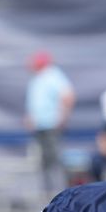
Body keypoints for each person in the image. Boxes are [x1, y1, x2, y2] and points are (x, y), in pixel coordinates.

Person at [24, 50, 74, 196]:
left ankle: (60, 194)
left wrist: (62, 117)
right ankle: (47, 194)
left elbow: (68, 96)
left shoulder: (53, 75)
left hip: (51, 126)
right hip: (40, 127)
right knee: (43, 162)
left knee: (55, 161)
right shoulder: (37, 78)